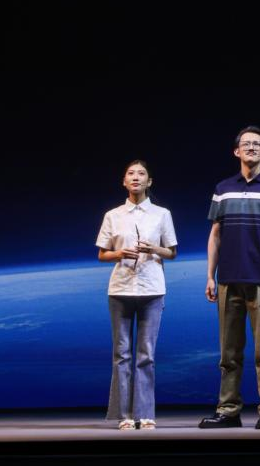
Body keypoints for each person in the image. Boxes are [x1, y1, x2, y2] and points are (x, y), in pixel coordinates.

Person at [198, 126, 260, 430]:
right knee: (229, 353)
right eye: (246, 143)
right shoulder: (223, 188)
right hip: (228, 280)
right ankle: (228, 411)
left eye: (257, 144)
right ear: (236, 151)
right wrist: (209, 275)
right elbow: (215, 234)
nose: (251, 147)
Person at [95, 159, 178, 430]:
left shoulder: (162, 214)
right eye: (130, 173)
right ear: (124, 181)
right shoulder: (113, 215)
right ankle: (124, 416)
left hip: (152, 289)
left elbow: (172, 252)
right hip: (120, 289)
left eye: (141, 174)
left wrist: (154, 248)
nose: (135, 177)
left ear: (149, 181)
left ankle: (145, 413)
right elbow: (102, 254)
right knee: (121, 354)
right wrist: (119, 253)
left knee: (146, 355)